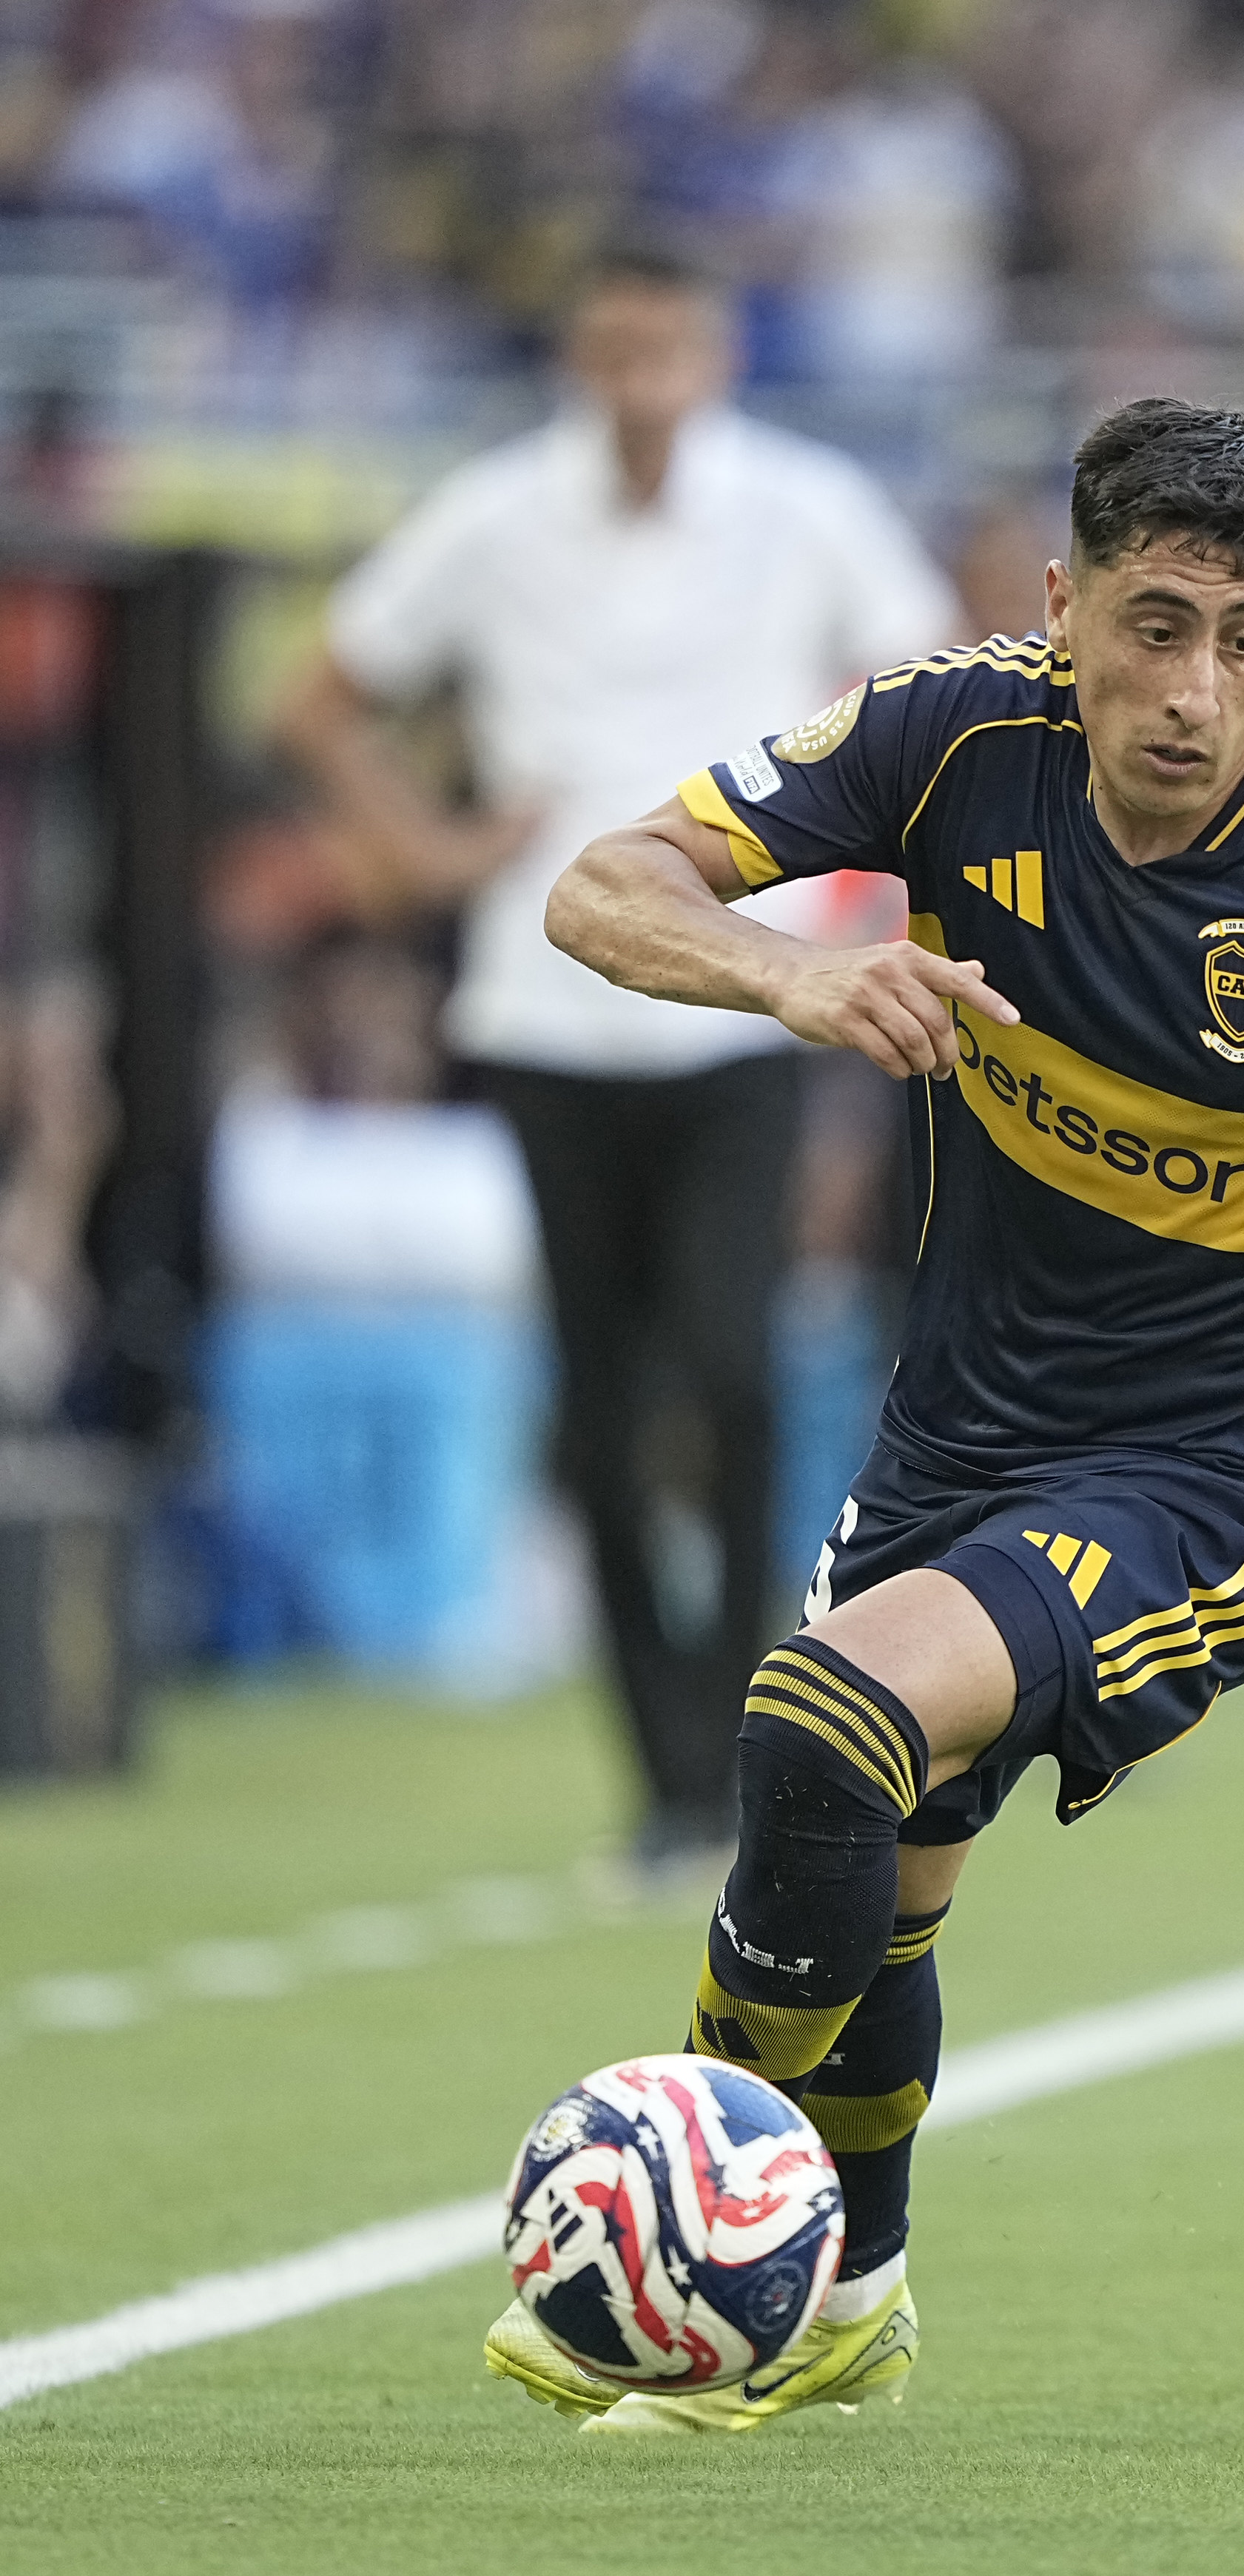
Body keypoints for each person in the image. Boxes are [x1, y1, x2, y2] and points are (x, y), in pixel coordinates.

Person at [484, 397, 1244, 2432]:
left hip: (1224, 1475)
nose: (1199, 688)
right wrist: (785, 979)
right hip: (959, 1442)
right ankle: (850, 2287)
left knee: (823, 1718)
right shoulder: (954, 740)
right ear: (1064, 608)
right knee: (876, 1860)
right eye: (1158, 624)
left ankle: (689, 2265)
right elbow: (600, 889)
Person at [278, 237, 960, 1868]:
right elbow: (321, 699)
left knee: (729, 1367)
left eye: (667, 352)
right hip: (543, 1004)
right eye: (613, 354)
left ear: (716, 355)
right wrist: (429, 854)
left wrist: (873, 891)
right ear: (580, 362)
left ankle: (745, 1732)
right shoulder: (501, 515)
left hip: (742, 998)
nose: (640, 387)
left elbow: (932, 694)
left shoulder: (803, 508)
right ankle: (658, 1769)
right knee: (594, 1398)